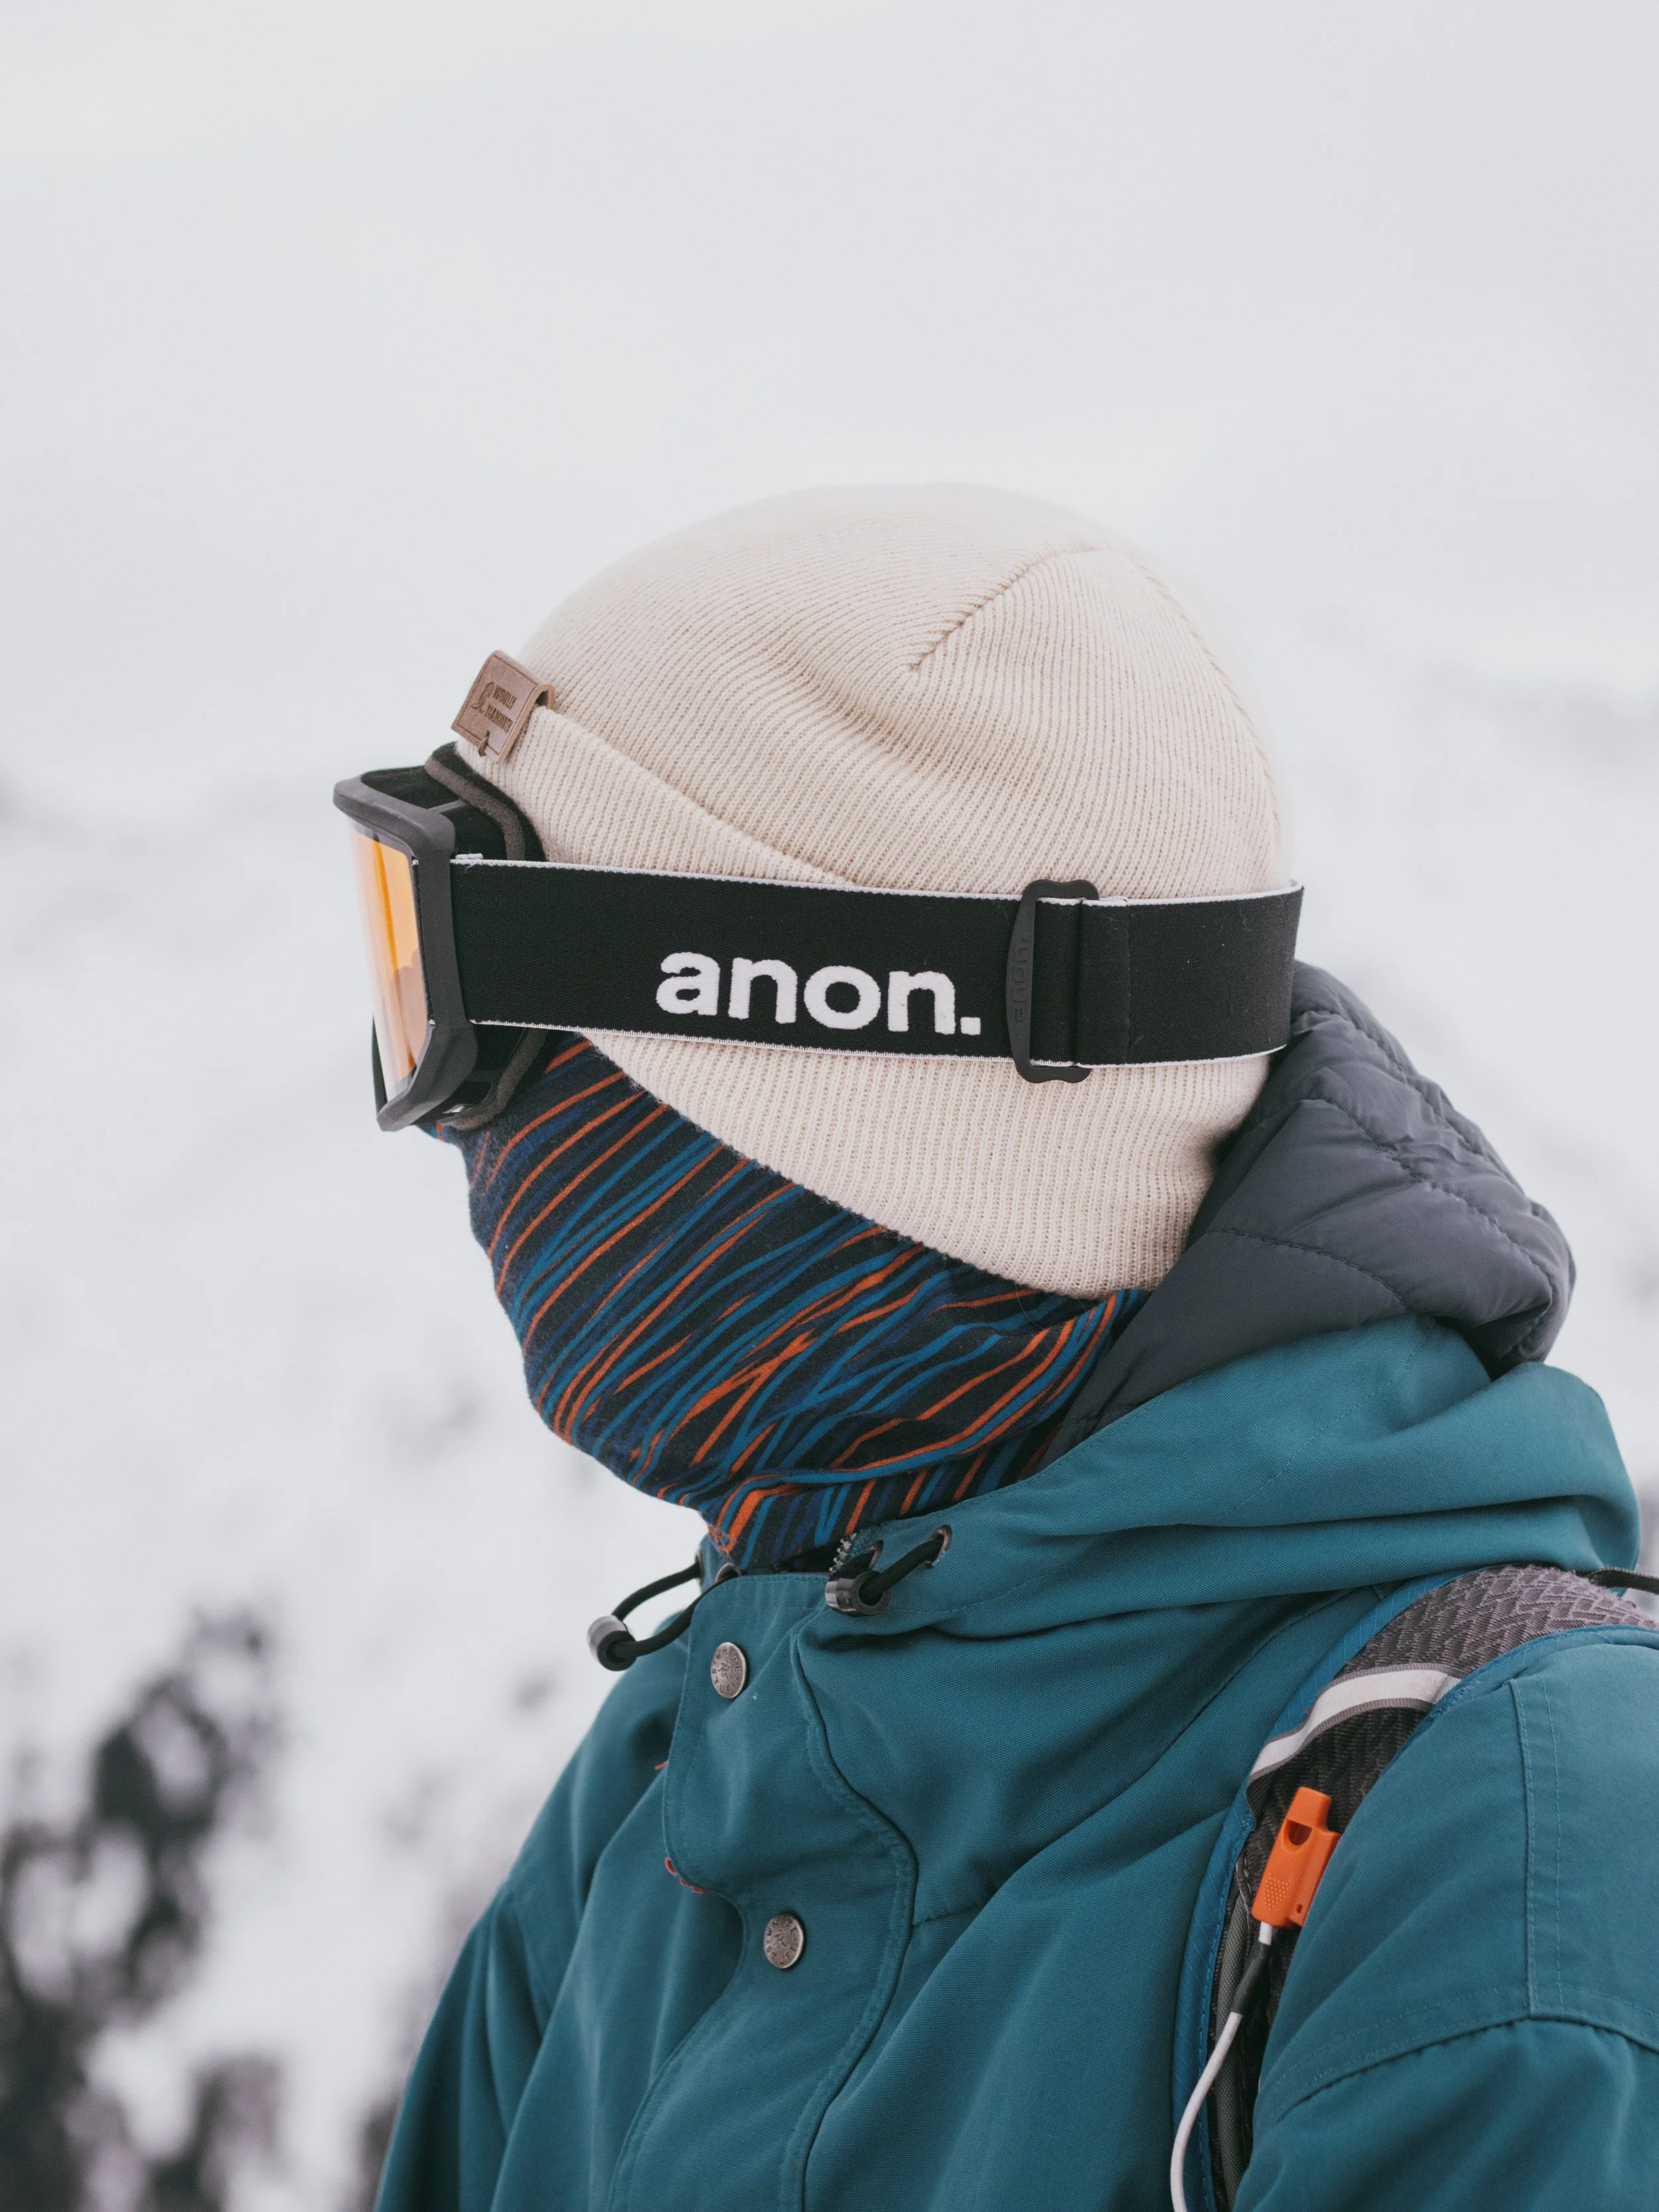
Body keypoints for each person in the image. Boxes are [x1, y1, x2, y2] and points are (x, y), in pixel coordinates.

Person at [338, 486, 1659, 2212]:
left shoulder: (1515, 1860)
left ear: (824, 1065)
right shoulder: (681, 1778)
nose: (447, 1127)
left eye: (468, 1008)